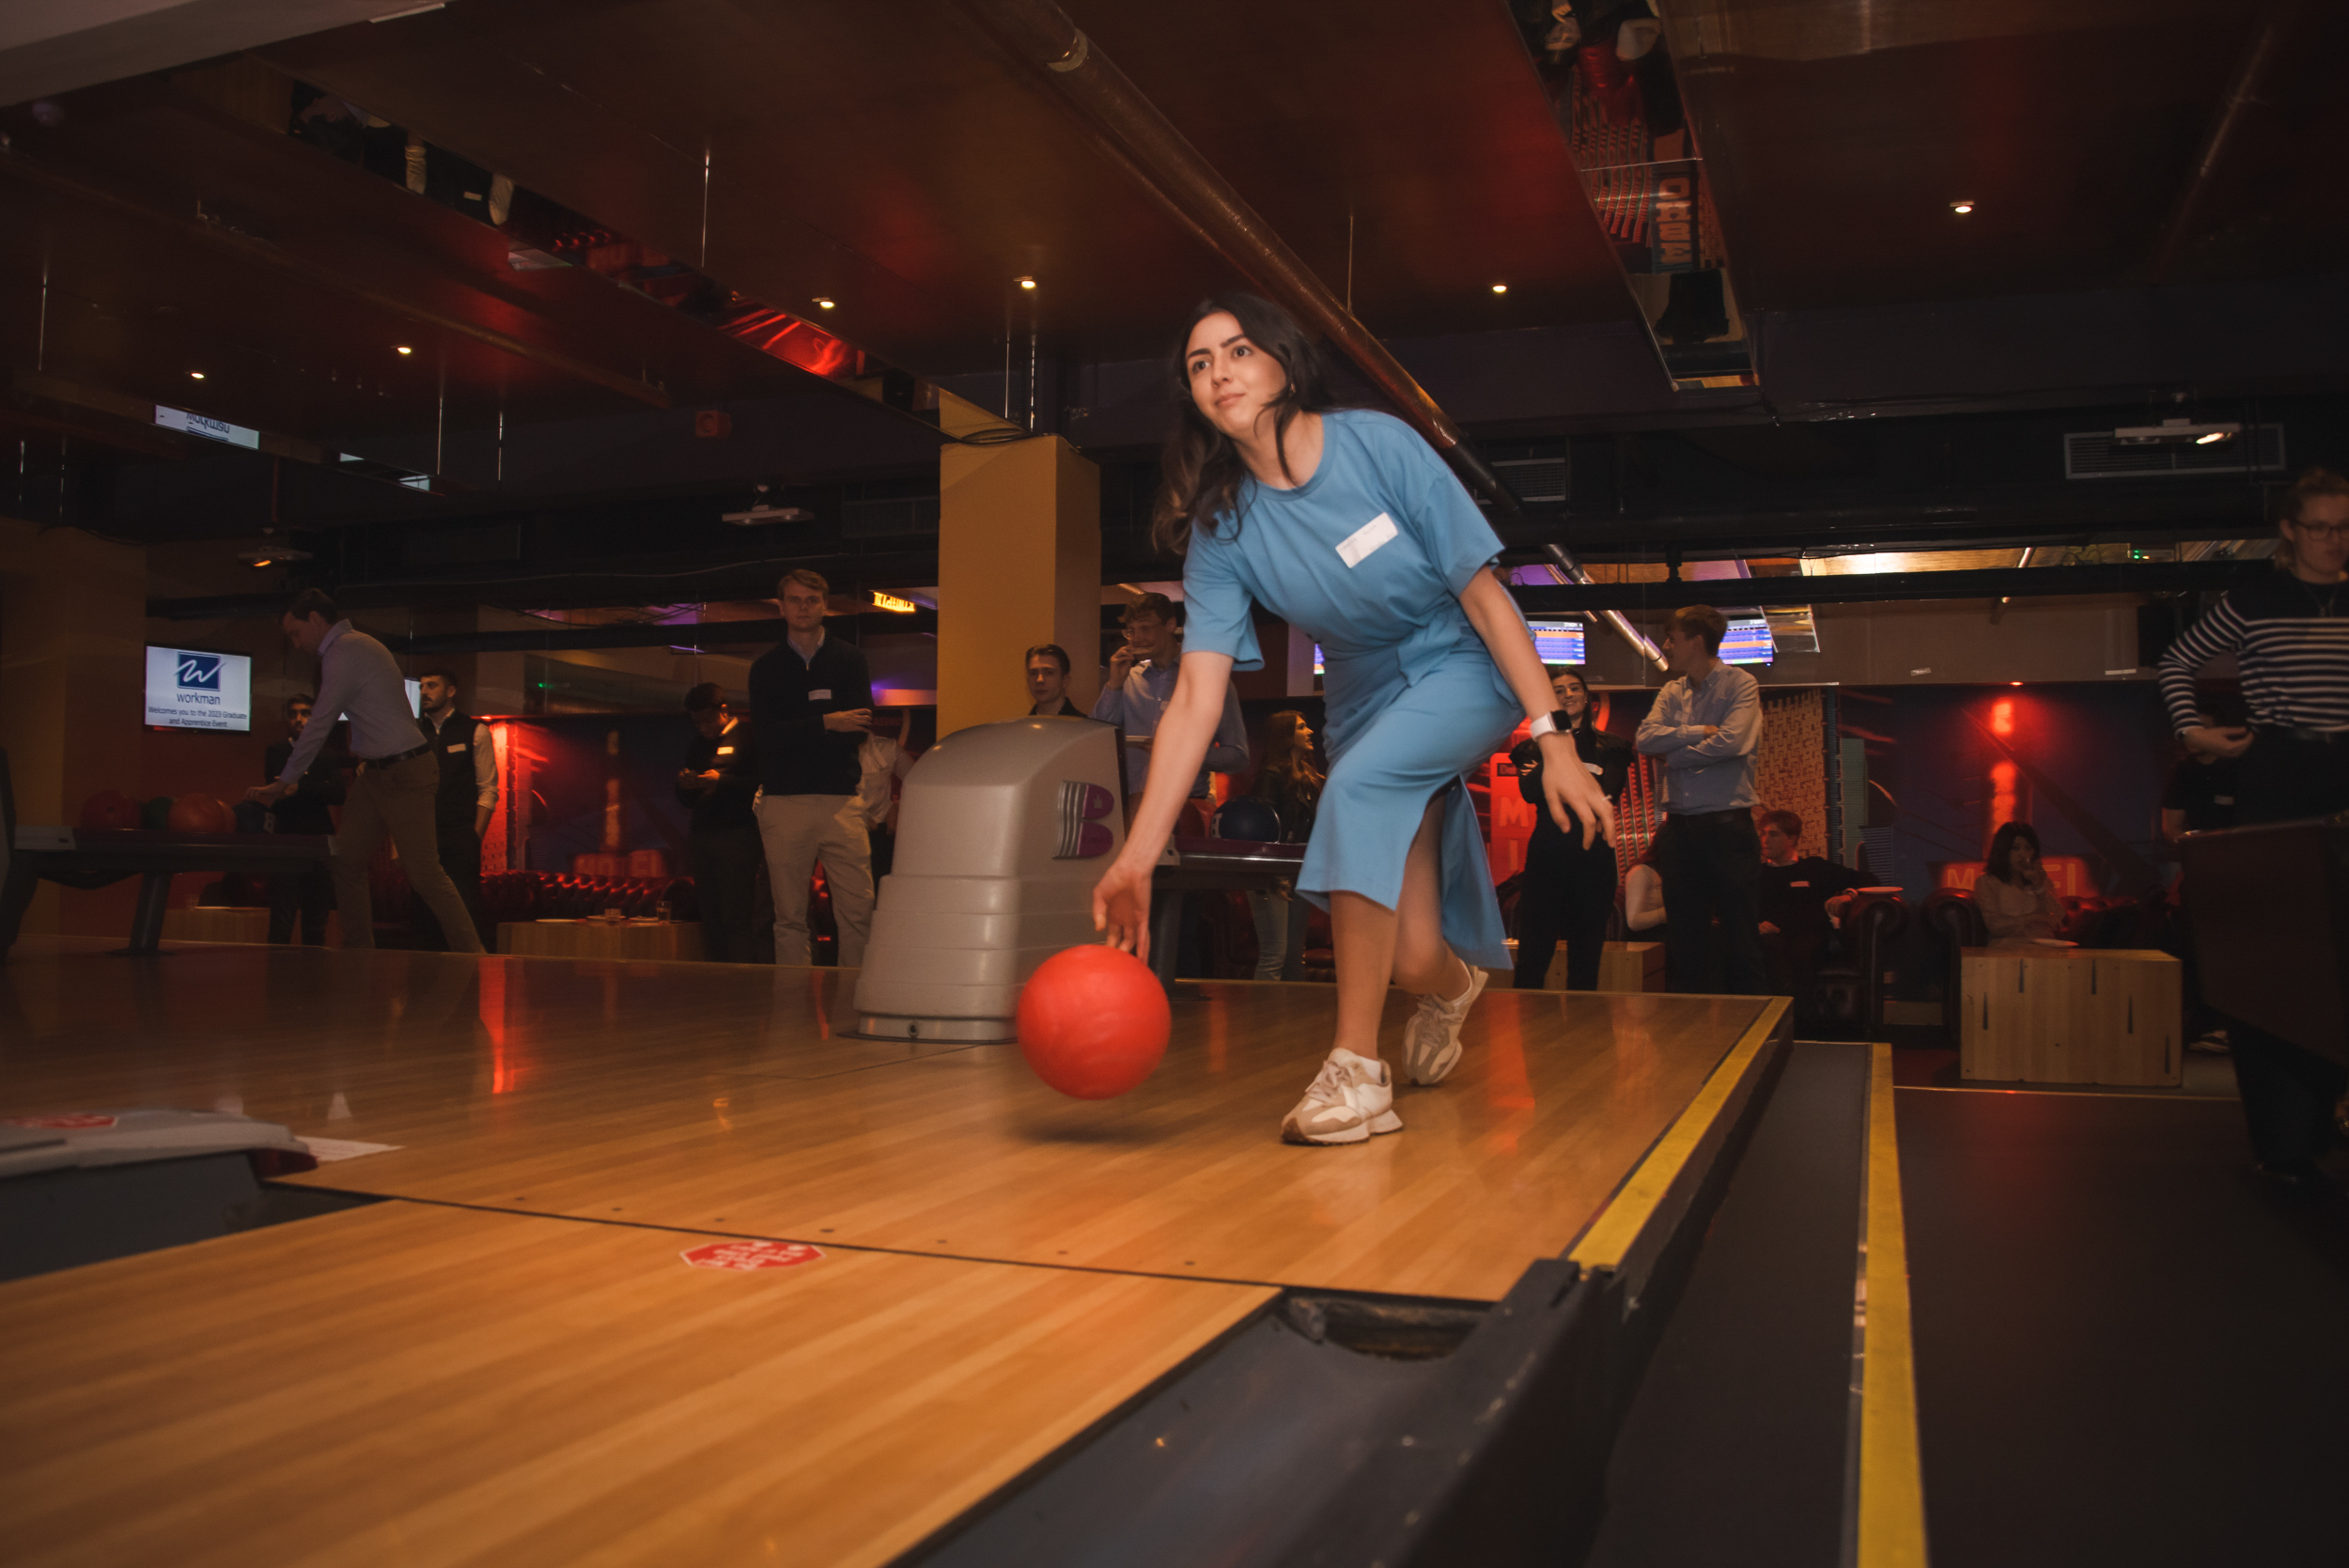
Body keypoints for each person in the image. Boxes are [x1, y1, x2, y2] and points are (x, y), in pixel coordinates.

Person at [1090, 292, 1612, 1145]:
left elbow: (1485, 596)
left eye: (1238, 350)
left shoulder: (1379, 445)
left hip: (1460, 654)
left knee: (1361, 787)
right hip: (1363, 692)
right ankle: (1450, 987)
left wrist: (1550, 736)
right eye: (1199, 363)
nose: (1219, 370)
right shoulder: (1224, 527)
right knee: (1410, 957)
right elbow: (1196, 693)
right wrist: (1139, 855)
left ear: (1284, 364)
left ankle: (1356, 1071)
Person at [2157, 466, 2349, 1188]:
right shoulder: (2257, 599)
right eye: (2323, 526)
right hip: (2281, 766)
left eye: (2346, 527)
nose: (2336, 541)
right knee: (2282, 953)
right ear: (2292, 531)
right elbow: (2176, 660)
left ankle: (2333, 1109)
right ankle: (2284, 1134)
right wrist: (2196, 733)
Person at [244, 590, 483, 954]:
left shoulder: (347, 651)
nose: (295, 643)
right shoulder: (352, 648)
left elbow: (320, 722)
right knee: (347, 860)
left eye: (296, 633)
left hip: (406, 772)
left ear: (315, 620)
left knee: (425, 875)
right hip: (376, 773)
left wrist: (285, 781)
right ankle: (359, 954)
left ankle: (473, 955)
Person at [748, 568, 877, 968]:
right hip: (784, 801)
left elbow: (857, 731)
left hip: (842, 801)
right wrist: (825, 721)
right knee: (788, 916)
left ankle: (856, 1001)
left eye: (811, 600)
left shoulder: (850, 660)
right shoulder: (766, 668)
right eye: (795, 600)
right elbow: (766, 737)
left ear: (825, 605)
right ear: (782, 606)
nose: (803, 607)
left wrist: (797, 729)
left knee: (858, 911)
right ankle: (790, 1006)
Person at [1636, 604, 1765, 994]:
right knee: (1685, 943)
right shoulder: (1671, 690)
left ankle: (1756, 1039)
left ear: (1696, 640)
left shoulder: (1740, 684)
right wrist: (1695, 732)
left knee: (1742, 939)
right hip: (1678, 833)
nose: (1666, 646)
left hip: (1728, 830)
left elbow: (1734, 742)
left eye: (1672, 638)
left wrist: (1673, 756)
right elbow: (1644, 739)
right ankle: (1686, 1044)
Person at [1510, 669, 1630, 991]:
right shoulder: (1529, 749)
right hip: (1546, 857)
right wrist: (1559, 755)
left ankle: (1586, 1038)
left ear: (1587, 696)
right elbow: (1532, 792)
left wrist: (1553, 770)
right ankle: (1527, 1032)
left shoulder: (1614, 746)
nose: (1568, 694)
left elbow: (1607, 791)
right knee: (1533, 957)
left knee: (1586, 958)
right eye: (1559, 690)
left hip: (1595, 860)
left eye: (1574, 688)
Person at [1091, 592, 1250, 827]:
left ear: (1171, 625)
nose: (1136, 638)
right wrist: (1114, 685)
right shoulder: (1127, 679)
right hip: (1130, 810)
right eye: (1131, 631)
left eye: (1145, 628)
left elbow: (1238, 756)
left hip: (1184, 811)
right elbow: (1096, 738)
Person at [2159, 722, 2241, 1054]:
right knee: (2197, 947)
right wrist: (2193, 842)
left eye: (2201, 726)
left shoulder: (2240, 766)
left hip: (2243, 868)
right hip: (2202, 867)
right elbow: (2172, 828)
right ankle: (2208, 1021)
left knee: (2239, 947)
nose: (2194, 737)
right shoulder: (2184, 772)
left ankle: (2234, 1025)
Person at [676, 683, 762, 964]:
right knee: (710, 915)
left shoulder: (749, 736)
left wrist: (721, 781)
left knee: (736, 914)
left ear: (724, 710)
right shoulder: (698, 744)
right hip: (702, 834)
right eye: (696, 722)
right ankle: (716, 980)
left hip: (738, 835)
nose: (703, 728)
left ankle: (742, 982)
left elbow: (762, 786)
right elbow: (685, 800)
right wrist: (687, 785)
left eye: (707, 720)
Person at [412, 669, 496, 952]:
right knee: (423, 914)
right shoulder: (412, 734)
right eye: (422, 686)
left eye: (432, 686)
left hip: (460, 835)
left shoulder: (474, 730)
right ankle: (423, 988)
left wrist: (474, 836)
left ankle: (470, 983)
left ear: (450, 691)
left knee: (464, 908)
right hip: (421, 836)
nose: (424, 692)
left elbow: (488, 790)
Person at [1755, 809, 1865, 1011]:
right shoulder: (1756, 873)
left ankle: (1799, 1015)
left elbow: (1866, 879)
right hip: (1772, 936)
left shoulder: (1814, 868)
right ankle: (1786, 1012)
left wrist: (1847, 895)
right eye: (1762, 834)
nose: (1764, 840)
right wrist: (1756, 925)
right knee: (1770, 947)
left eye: (1772, 834)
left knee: (1803, 950)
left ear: (1791, 838)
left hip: (1807, 935)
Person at [261, 691, 346, 946]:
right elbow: (276, 790)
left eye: (305, 713)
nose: (298, 719)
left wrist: (300, 785)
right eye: (293, 714)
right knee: (281, 920)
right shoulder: (277, 750)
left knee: (316, 922)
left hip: (319, 839)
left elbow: (339, 794)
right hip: (285, 838)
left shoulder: (327, 754)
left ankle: (316, 983)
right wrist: (316, 785)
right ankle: (277, 983)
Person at [1245, 709, 1323, 981]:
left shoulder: (1309, 777)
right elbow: (1262, 828)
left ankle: (1291, 1019)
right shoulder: (1271, 775)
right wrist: (1274, 874)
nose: (1309, 731)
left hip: (1298, 870)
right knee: (1274, 954)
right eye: (1302, 727)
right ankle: (1262, 1018)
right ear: (1285, 735)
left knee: (1293, 956)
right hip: (1272, 872)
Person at [855, 708, 919, 881]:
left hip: (879, 832)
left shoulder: (887, 748)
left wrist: (898, 807)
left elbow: (919, 782)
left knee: (880, 887)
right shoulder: (827, 752)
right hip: (844, 833)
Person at [1975, 821, 2063, 945]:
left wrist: (2039, 888)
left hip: (2044, 946)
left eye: (2028, 848)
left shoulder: (2041, 879)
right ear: (2003, 851)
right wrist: (2034, 918)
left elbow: (2057, 918)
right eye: (2015, 848)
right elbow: (1995, 925)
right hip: (2008, 949)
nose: (2022, 854)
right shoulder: (1988, 882)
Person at [1025, 644, 1083, 717]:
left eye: (1048, 673)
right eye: (1033, 673)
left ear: (1065, 680)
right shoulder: (1021, 727)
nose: (1039, 680)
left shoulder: (1086, 727)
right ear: (1028, 680)